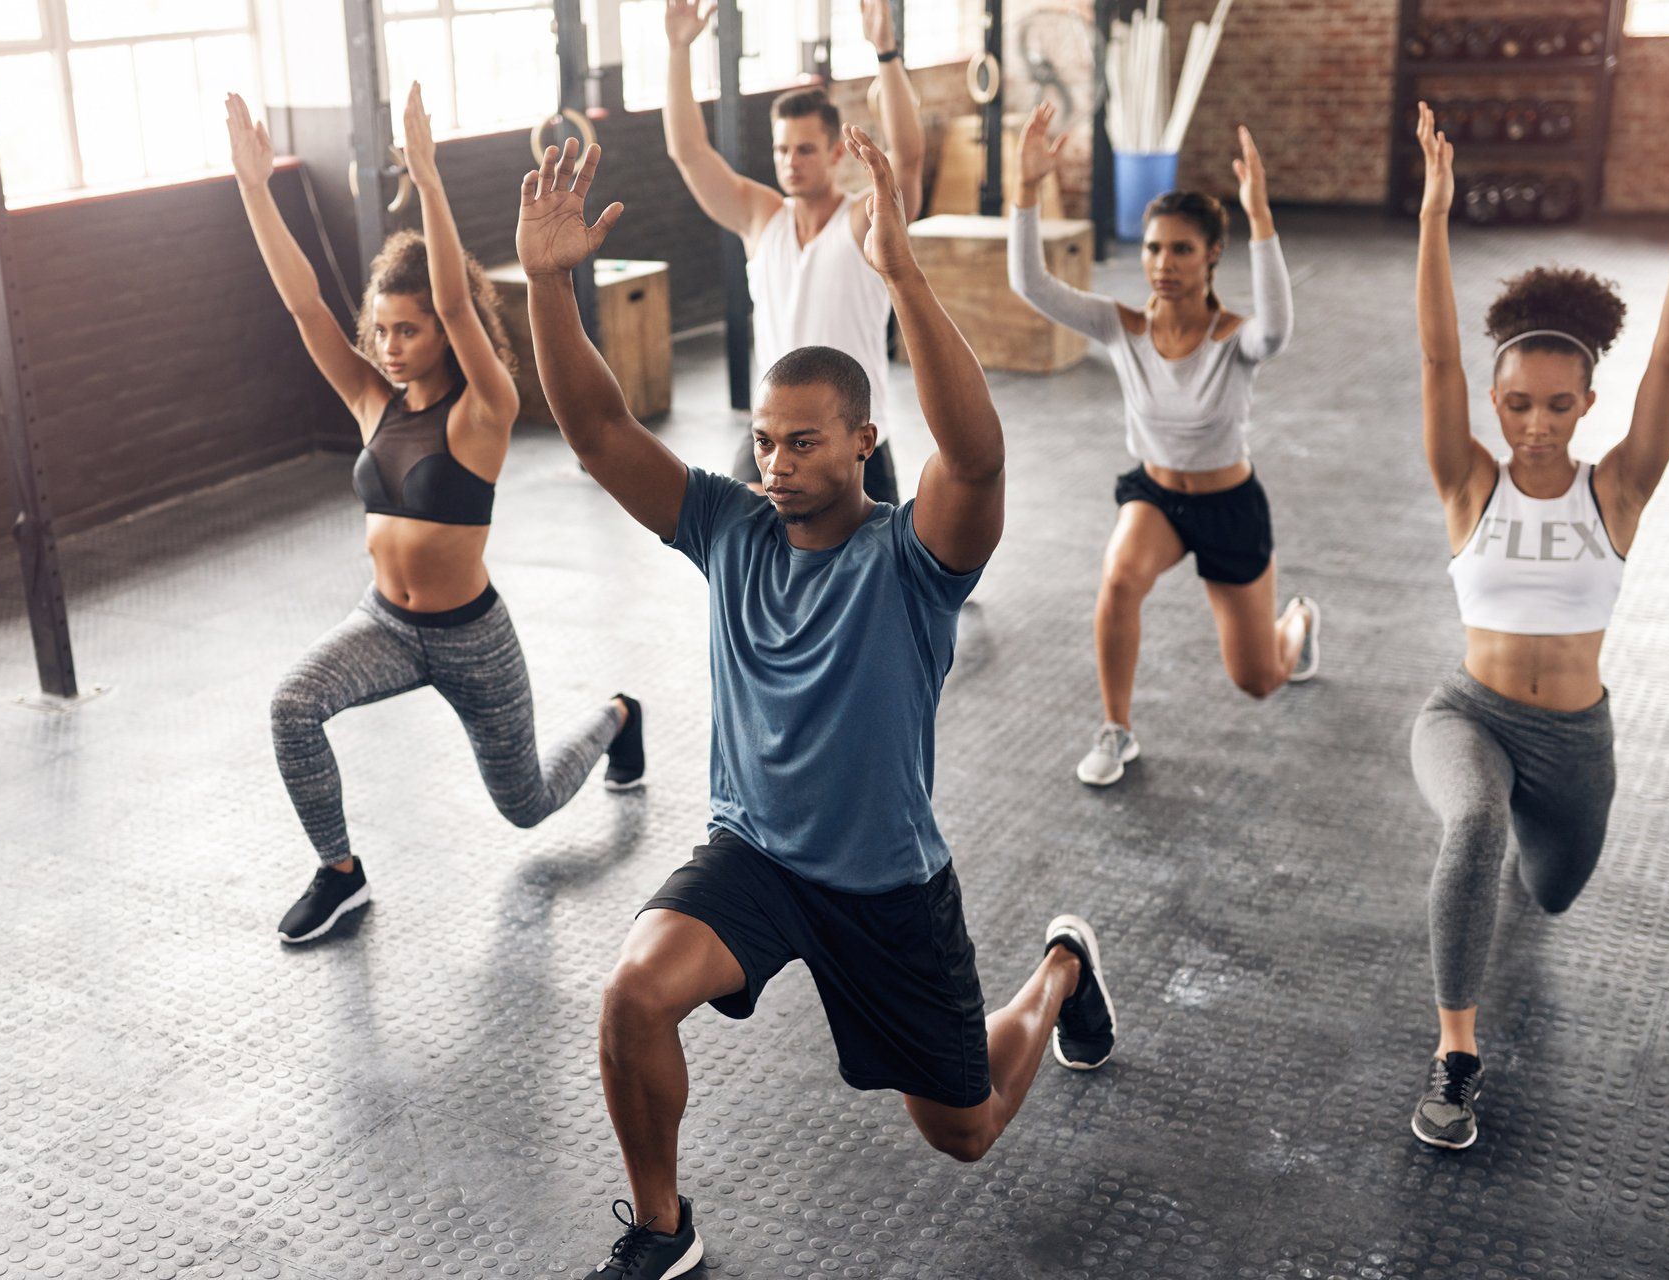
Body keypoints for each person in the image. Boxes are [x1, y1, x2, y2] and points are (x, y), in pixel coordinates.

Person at [516, 130, 1117, 1279]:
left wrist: (902, 275)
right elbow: (597, 431)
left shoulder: (914, 559)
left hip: (886, 887)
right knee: (633, 994)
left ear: (863, 443)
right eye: (763, 441)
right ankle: (661, 1226)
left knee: (967, 1128)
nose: (777, 462)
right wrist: (552, 285)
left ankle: (1061, 972)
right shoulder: (728, 525)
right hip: (756, 858)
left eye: (803, 442)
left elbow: (978, 462)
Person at [1406, 89, 1669, 1149]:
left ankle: (1523, 832)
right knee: (1470, 820)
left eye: (1559, 405)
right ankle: (1455, 1055)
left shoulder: (1619, 491)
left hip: (1574, 742)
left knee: (1549, 894)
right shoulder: (1467, 482)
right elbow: (1433, 358)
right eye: (1518, 402)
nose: (1537, 423)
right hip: (1465, 711)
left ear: (1585, 407)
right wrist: (1432, 215)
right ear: (1498, 402)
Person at [224, 86, 643, 945]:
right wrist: (254, 188)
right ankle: (340, 873)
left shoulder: (482, 405)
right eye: (380, 331)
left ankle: (619, 716)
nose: (389, 347)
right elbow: (305, 303)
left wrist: (430, 179)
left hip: (470, 636)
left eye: (407, 331)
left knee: (525, 805)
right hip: (384, 625)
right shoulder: (372, 400)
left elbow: (460, 301)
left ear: (444, 336)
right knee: (291, 706)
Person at [1006, 103, 1319, 787]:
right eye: (1153, 248)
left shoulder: (1236, 337)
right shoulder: (1122, 327)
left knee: (1259, 679)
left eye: (1181, 249)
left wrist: (1261, 217)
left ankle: (1297, 622)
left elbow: (1280, 330)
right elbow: (1030, 284)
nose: (1163, 263)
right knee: (1118, 579)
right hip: (1155, 497)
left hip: (1229, 505)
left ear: (1211, 255)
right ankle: (1117, 729)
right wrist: (1025, 189)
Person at [662, 0, 924, 504]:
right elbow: (689, 152)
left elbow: (908, 161)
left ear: (833, 153)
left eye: (805, 149)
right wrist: (678, 50)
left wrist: (886, 53)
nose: (791, 162)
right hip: (770, 438)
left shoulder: (861, 223)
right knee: (742, 570)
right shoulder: (761, 218)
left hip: (851, 439)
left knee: (875, 581)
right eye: (782, 150)